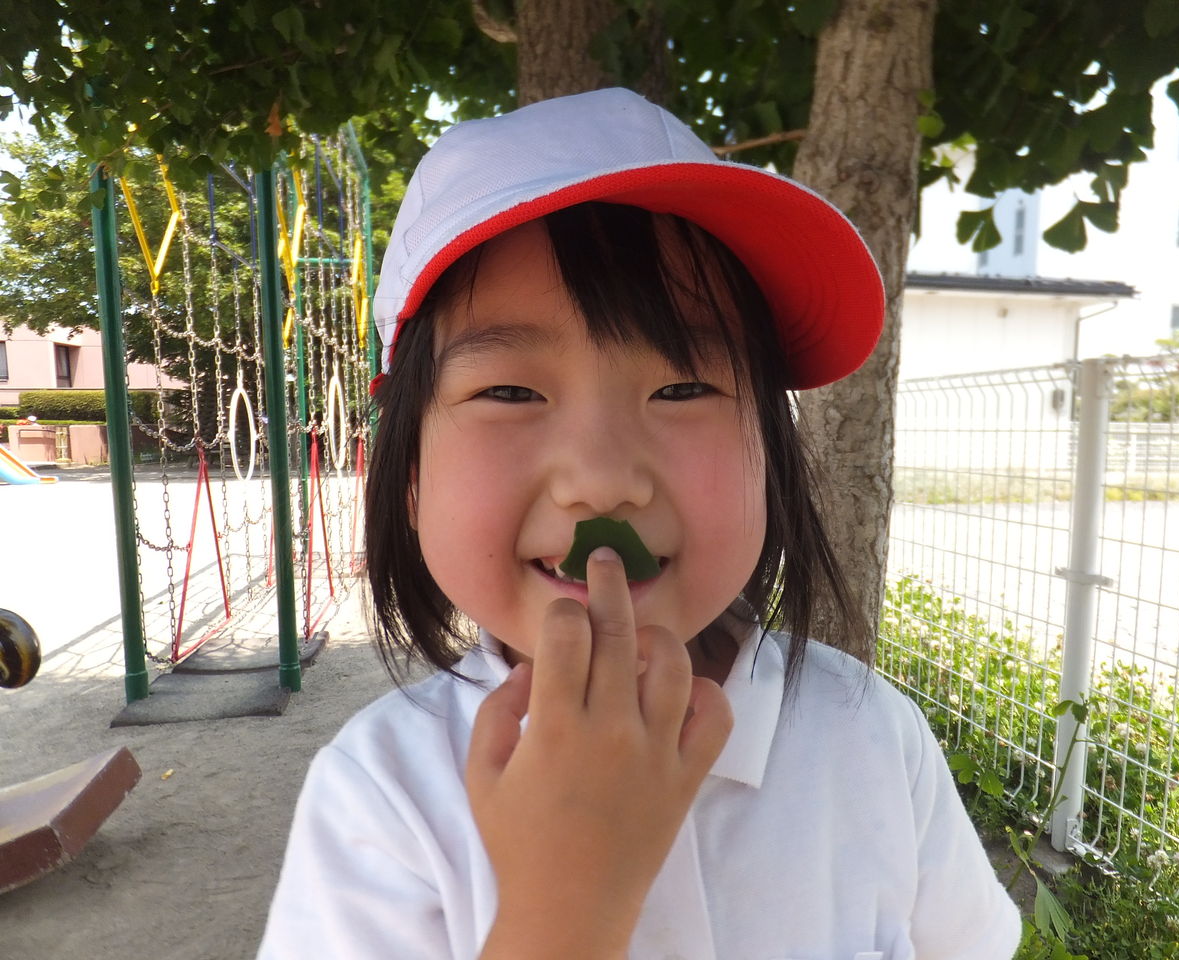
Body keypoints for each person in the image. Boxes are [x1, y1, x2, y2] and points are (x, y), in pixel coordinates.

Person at [258, 88, 1021, 960]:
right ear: (408, 479)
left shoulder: (867, 731)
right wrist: (562, 909)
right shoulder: (382, 796)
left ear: (772, 457)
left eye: (684, 389)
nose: (603, 482)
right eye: (510, 392)